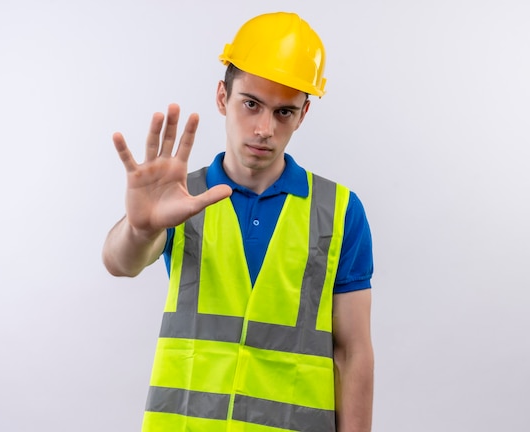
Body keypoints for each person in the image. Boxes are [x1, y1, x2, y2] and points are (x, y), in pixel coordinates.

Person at [103, 11, 374, 432]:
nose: (264, 128)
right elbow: (121, 263)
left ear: (303, 115)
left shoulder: (339, 211)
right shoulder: (181, 199)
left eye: (284, 112)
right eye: (251, 104)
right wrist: (141, 227)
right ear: (221, 98)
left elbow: (352, 352)